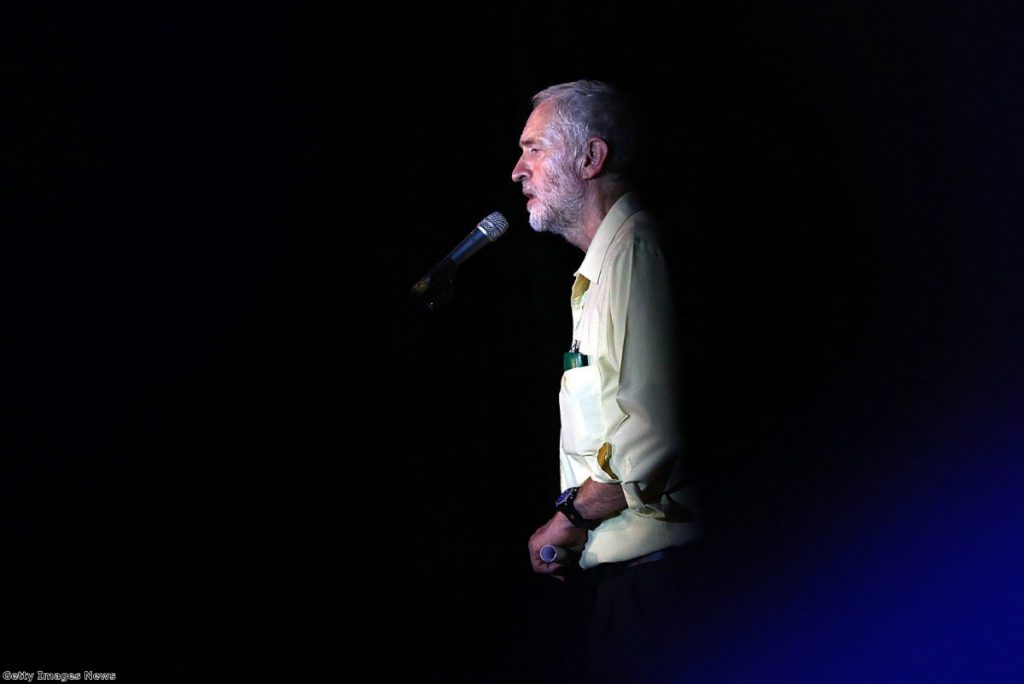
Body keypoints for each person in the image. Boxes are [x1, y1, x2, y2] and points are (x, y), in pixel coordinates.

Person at [514, 80, 703, 681]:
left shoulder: (636, 252)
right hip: (633, 581)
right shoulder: (602, 267)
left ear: (590, 159)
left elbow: (649, 438)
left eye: (534, 149)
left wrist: (567, 518)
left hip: (661, 582)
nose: (518, 171)